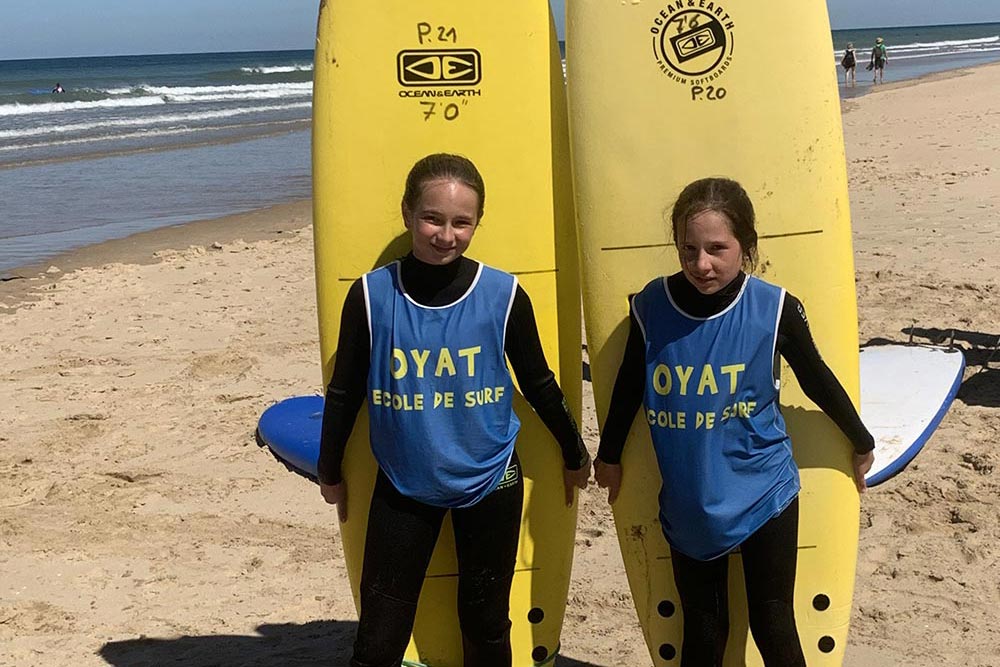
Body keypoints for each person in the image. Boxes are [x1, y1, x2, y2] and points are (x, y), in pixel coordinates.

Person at [317, 153, 591, 667]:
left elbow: (537, 382)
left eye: (461, 222)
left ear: (476, 223)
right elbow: (344, 392)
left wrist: (575, 452)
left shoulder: (503, 294)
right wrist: (329, 468)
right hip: (403, 482)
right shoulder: (372, 297)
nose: (446, 235)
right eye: (432, 219)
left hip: (492, 479)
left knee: (486, 621)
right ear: (407, 213)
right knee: (380, 630)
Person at [593, 177, 875, 667]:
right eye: (689, 249)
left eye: (717, 249)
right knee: (703, 631)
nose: (702, 264)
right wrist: (609, 455)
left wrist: (861, 438)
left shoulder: (773, 307)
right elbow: (629, 387)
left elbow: (814, 377)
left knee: (773, 623)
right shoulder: (651, 307)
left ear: (745, 245)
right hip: (690, 500)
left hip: (764, 490)